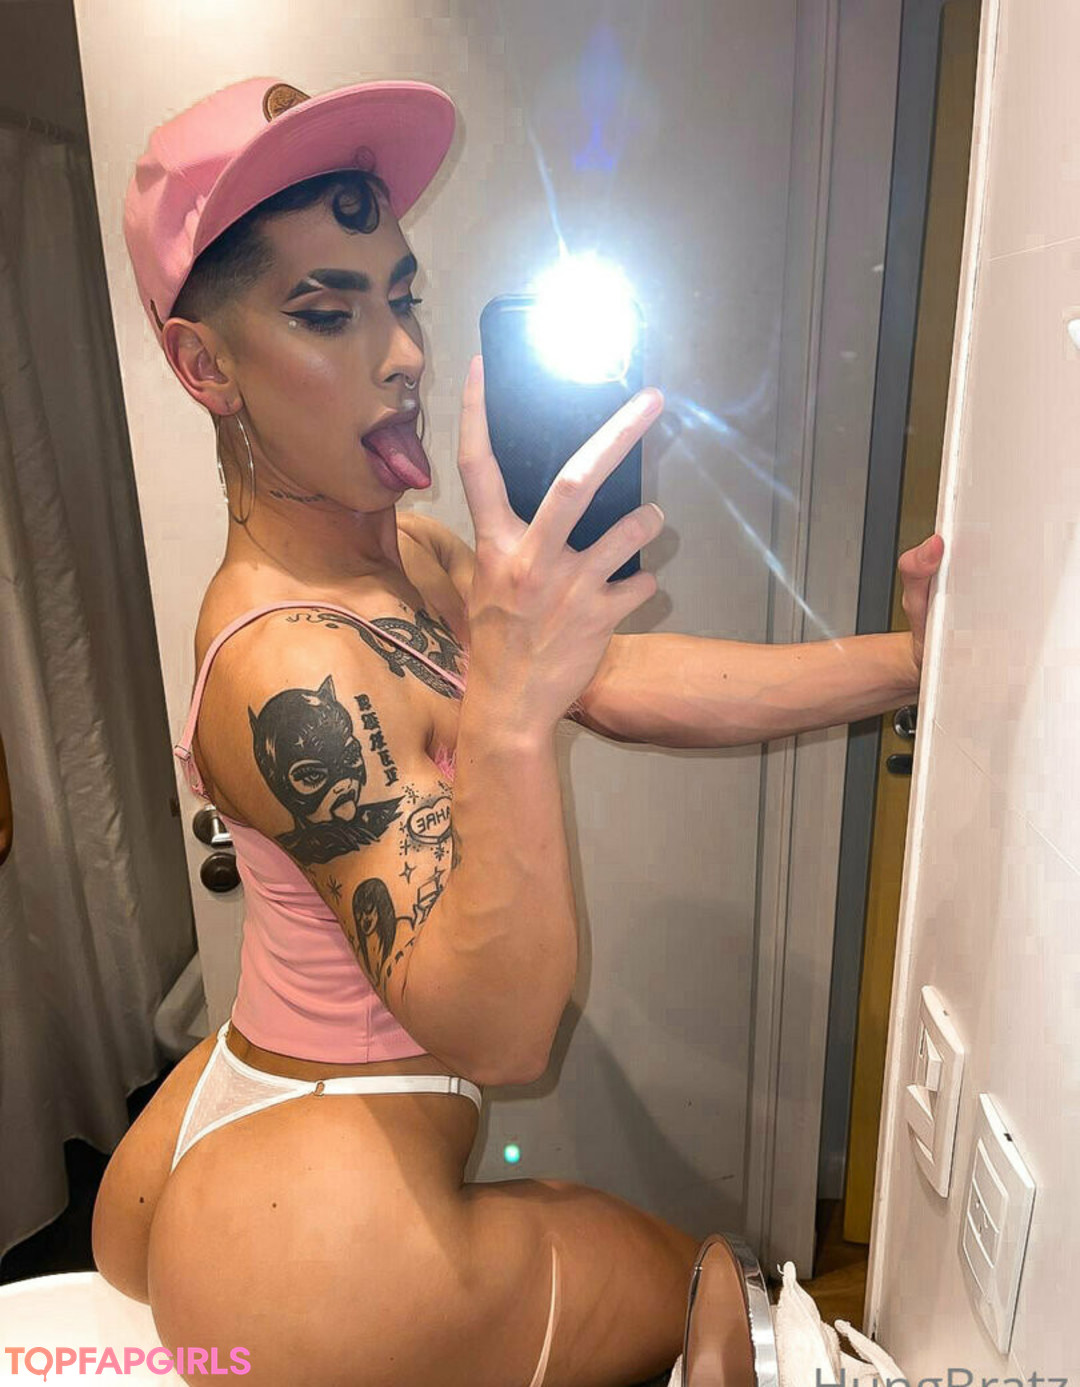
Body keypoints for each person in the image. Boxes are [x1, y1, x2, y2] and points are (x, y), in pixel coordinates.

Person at [92, 76, 940, 1387]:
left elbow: (619, 673)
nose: (403, 355)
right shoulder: (286, 664)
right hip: (315, 1241)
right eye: (326, 313)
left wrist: (916, 663)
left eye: (404, 297)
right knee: (723, 1290)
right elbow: (500, 1037)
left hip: (227, 1112)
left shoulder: (407, 560)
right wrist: (510, 712)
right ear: (207, 366)